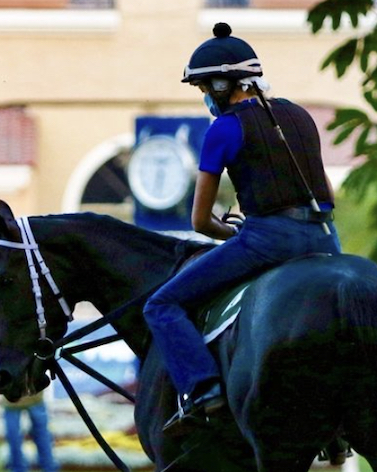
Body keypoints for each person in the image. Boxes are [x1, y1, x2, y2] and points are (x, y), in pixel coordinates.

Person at [142, 22, 341, 436]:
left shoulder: (224, 128)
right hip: (326, 237)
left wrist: (230, 233)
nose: (204, 98)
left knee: (160, 306)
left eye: (203, 89)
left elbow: (199, 220)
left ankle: (202, 388)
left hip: (269, 239)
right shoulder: (300, 115)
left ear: (220, 84)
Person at [2, 391, 59, 472]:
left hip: (13, 397)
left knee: (14, 436)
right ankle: (49, 467)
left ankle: (19, 468)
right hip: (33, 395)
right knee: (42, 435)